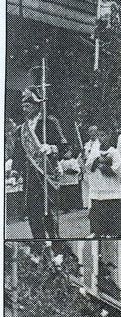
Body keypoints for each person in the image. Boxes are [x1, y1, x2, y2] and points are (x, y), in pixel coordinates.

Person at [12, 87, 68, 238]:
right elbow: (18, 153)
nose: (25, 109)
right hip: (30, 177)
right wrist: (15, 171)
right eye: (23, 106)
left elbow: (64, 146)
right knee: (32, 213)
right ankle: (40, 245)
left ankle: (56, 245)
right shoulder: (22, 129)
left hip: (46, 174)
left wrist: (51, 148)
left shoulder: (49, 123)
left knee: (48, 212)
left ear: (37, 106)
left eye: (28, 106)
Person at [85, 126, 121, 237]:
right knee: (98, 207)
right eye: (99, 136)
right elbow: (88, 165)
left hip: (110, 184)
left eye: (103, 135)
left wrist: (105, 167)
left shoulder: (114, 151)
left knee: (112, 208)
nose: (100, 138)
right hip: (98, 184)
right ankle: (98, 231)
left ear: (109, 136)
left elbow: (118, 169)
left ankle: (114, 232)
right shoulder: (94, 150)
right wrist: (97, 161)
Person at [58, 146, 82, 213]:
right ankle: (65, 208)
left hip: (72, 180)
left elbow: (77, 170)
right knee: (64, 195)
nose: (66, 154)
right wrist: (63, 172)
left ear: (70, 153)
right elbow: (60, 171)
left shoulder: (73, 161)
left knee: (72, 194)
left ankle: (74, 206)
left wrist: (71, 171)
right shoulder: (61, 162)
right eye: (64, 152)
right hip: (64, 181)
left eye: (68, 152)